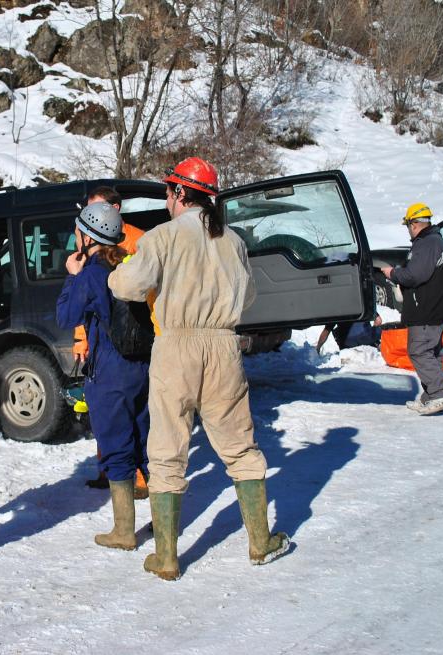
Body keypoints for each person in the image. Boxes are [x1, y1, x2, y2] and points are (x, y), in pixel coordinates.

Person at [109, 157, 290, 580]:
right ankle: (260, 542)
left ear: (179, 193)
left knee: (168, 449)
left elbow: (129, 285)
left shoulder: (163, 236)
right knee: (240, 446)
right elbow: (247, 297)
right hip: (223, 345)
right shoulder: (233, 240)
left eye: (167, 192)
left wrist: (114, 272)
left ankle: (167, 558)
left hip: (176, 346)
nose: (166, 199)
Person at [57, 203, 150, 551]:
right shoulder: (126, 263)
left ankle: (124, 532)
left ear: (86, 236)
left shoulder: (92, 273)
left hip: (109, 373)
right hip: (141, 368)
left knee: (116, 448)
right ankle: (161, 520)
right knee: (145, 443)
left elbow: (66, 316)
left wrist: (72, 275)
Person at [75, 186, 148, 497]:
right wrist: (80, 340)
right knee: (104, 414)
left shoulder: (138, 240)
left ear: (116, 208)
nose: (94, 216)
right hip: (99, 340)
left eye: (100, 207)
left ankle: (140, 478)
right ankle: (108, 471)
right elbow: (82, 298)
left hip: (128, 340)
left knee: (133, 415)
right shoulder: (85, 239)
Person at [380, 202, 443, 415]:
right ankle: (430, 396)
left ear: (414, 224)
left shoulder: (427, 244)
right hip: (435, 307)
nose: (408, 230)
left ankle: (440, 394)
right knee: (431, 352)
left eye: (408, 225)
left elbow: (415, 275)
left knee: (419, 351)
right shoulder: (437, 241)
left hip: (426, 308)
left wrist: (393, 273)